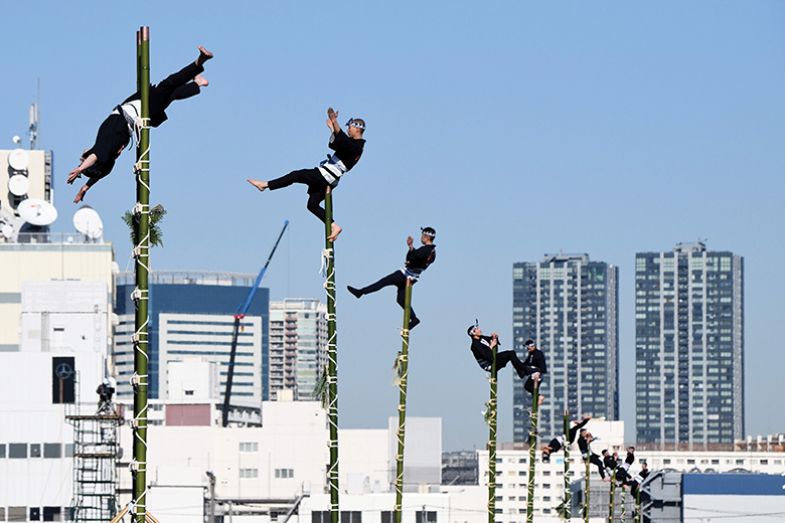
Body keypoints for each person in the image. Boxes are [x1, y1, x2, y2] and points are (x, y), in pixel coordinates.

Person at [67, 46, 214, 203]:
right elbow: (95, 157)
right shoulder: (103, 147)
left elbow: (99, 173)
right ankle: (199, 61)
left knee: (171, 94)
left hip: (137, 106)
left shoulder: (107, 158)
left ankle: (198, 83)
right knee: (168, 84)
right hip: (143, 109)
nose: (82, 158)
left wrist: (84, 188)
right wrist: (81, 169)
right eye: (83, 160)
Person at [247, 107, 366, 241]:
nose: (348, 130)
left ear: (357, 129)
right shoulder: (354, 145)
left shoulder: (357, 146)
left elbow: (342, 141)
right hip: (330, 179)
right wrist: (332, 128)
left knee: (295, 175)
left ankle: (265, 185)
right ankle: (334, 225)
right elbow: (338, 144)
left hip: (325, 175)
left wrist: (334, 122)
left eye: (349, 127)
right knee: (312, 205)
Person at [347, 227, 436, 329]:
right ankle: (414, 319)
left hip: (405, 275)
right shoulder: (432, 251)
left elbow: (415, 257)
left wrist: (411, 250)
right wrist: (411, 258)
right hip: (413, 278)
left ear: (426, 236)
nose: (421, 237)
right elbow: (421, 261)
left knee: (383, 282)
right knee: (400, 299)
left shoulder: (425, 250)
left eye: (422, 235)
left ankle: (361, 292)